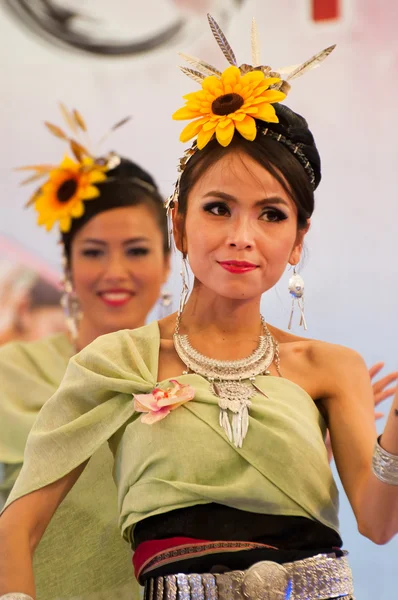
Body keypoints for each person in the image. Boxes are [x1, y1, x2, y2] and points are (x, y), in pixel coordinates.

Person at [1, 17, 398, 600]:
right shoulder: (117, 363)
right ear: (179, 224)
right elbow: (17, 526)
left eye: (271, 215)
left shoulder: (332, 367)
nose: (243, 236)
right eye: (218, 208)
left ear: (297, 239)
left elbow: (379, 521)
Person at [0, 109, 170, 600]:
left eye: (136, 251)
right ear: (68, 268)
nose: (115, 271)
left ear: (167, 261)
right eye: (94, 252)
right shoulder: (14, 374)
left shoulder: (196, 376)